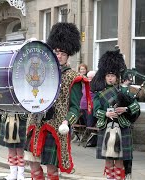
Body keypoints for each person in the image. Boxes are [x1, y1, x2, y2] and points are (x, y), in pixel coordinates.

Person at [24, 22, 90, 179]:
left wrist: (67, 122)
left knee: (52, 169)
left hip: (57, 126)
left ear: (68, 56)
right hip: (37, 122)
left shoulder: (74, 78)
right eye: (56, 52)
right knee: (33, 165)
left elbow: (75, 108)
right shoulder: (42, 72)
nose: (59, 56)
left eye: (63, 53)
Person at [91, 50, 140, 180]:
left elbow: (136, 107)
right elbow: (95, 111)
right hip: (106, 128)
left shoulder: (125, 91)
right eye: (108, 76)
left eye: (112, 75)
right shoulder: (99, 93)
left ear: (117, 77)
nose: (110, 78)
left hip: (122, 127)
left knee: (119, 160)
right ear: (104, 77)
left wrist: (125, 109)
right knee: (108, 160)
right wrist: (106, 113)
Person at [0, 113, 27, 180]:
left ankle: (20, 175)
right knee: (11, 149)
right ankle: (13, 174)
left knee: (20, 149)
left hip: (22, 116)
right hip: (8, 116)